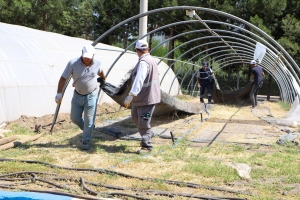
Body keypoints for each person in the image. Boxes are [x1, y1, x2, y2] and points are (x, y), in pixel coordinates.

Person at [55, 44, 106, 150]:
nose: (86, 59)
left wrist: (103, 80)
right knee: (74, 118)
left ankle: (85, 140)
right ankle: (89, 129)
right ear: (82, 53)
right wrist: (59, 93)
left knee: (89, 119)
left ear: (93, 55)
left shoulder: (97, 62)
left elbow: (100, 71)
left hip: (91, 95)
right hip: (77, 95)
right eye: (85, 57)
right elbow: (63, 78)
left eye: (89, 57)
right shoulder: (73, 63)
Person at [123, 40, 161, 154]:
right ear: (147, 49)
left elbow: (140, 78)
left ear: (137, 51)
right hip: (142, 98)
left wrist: (131, 95)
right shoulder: (151, 60)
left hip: (147, 99)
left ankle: (146, 145)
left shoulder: (144, 62)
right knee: (135, 117)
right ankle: (148, 134)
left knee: (144, 120)